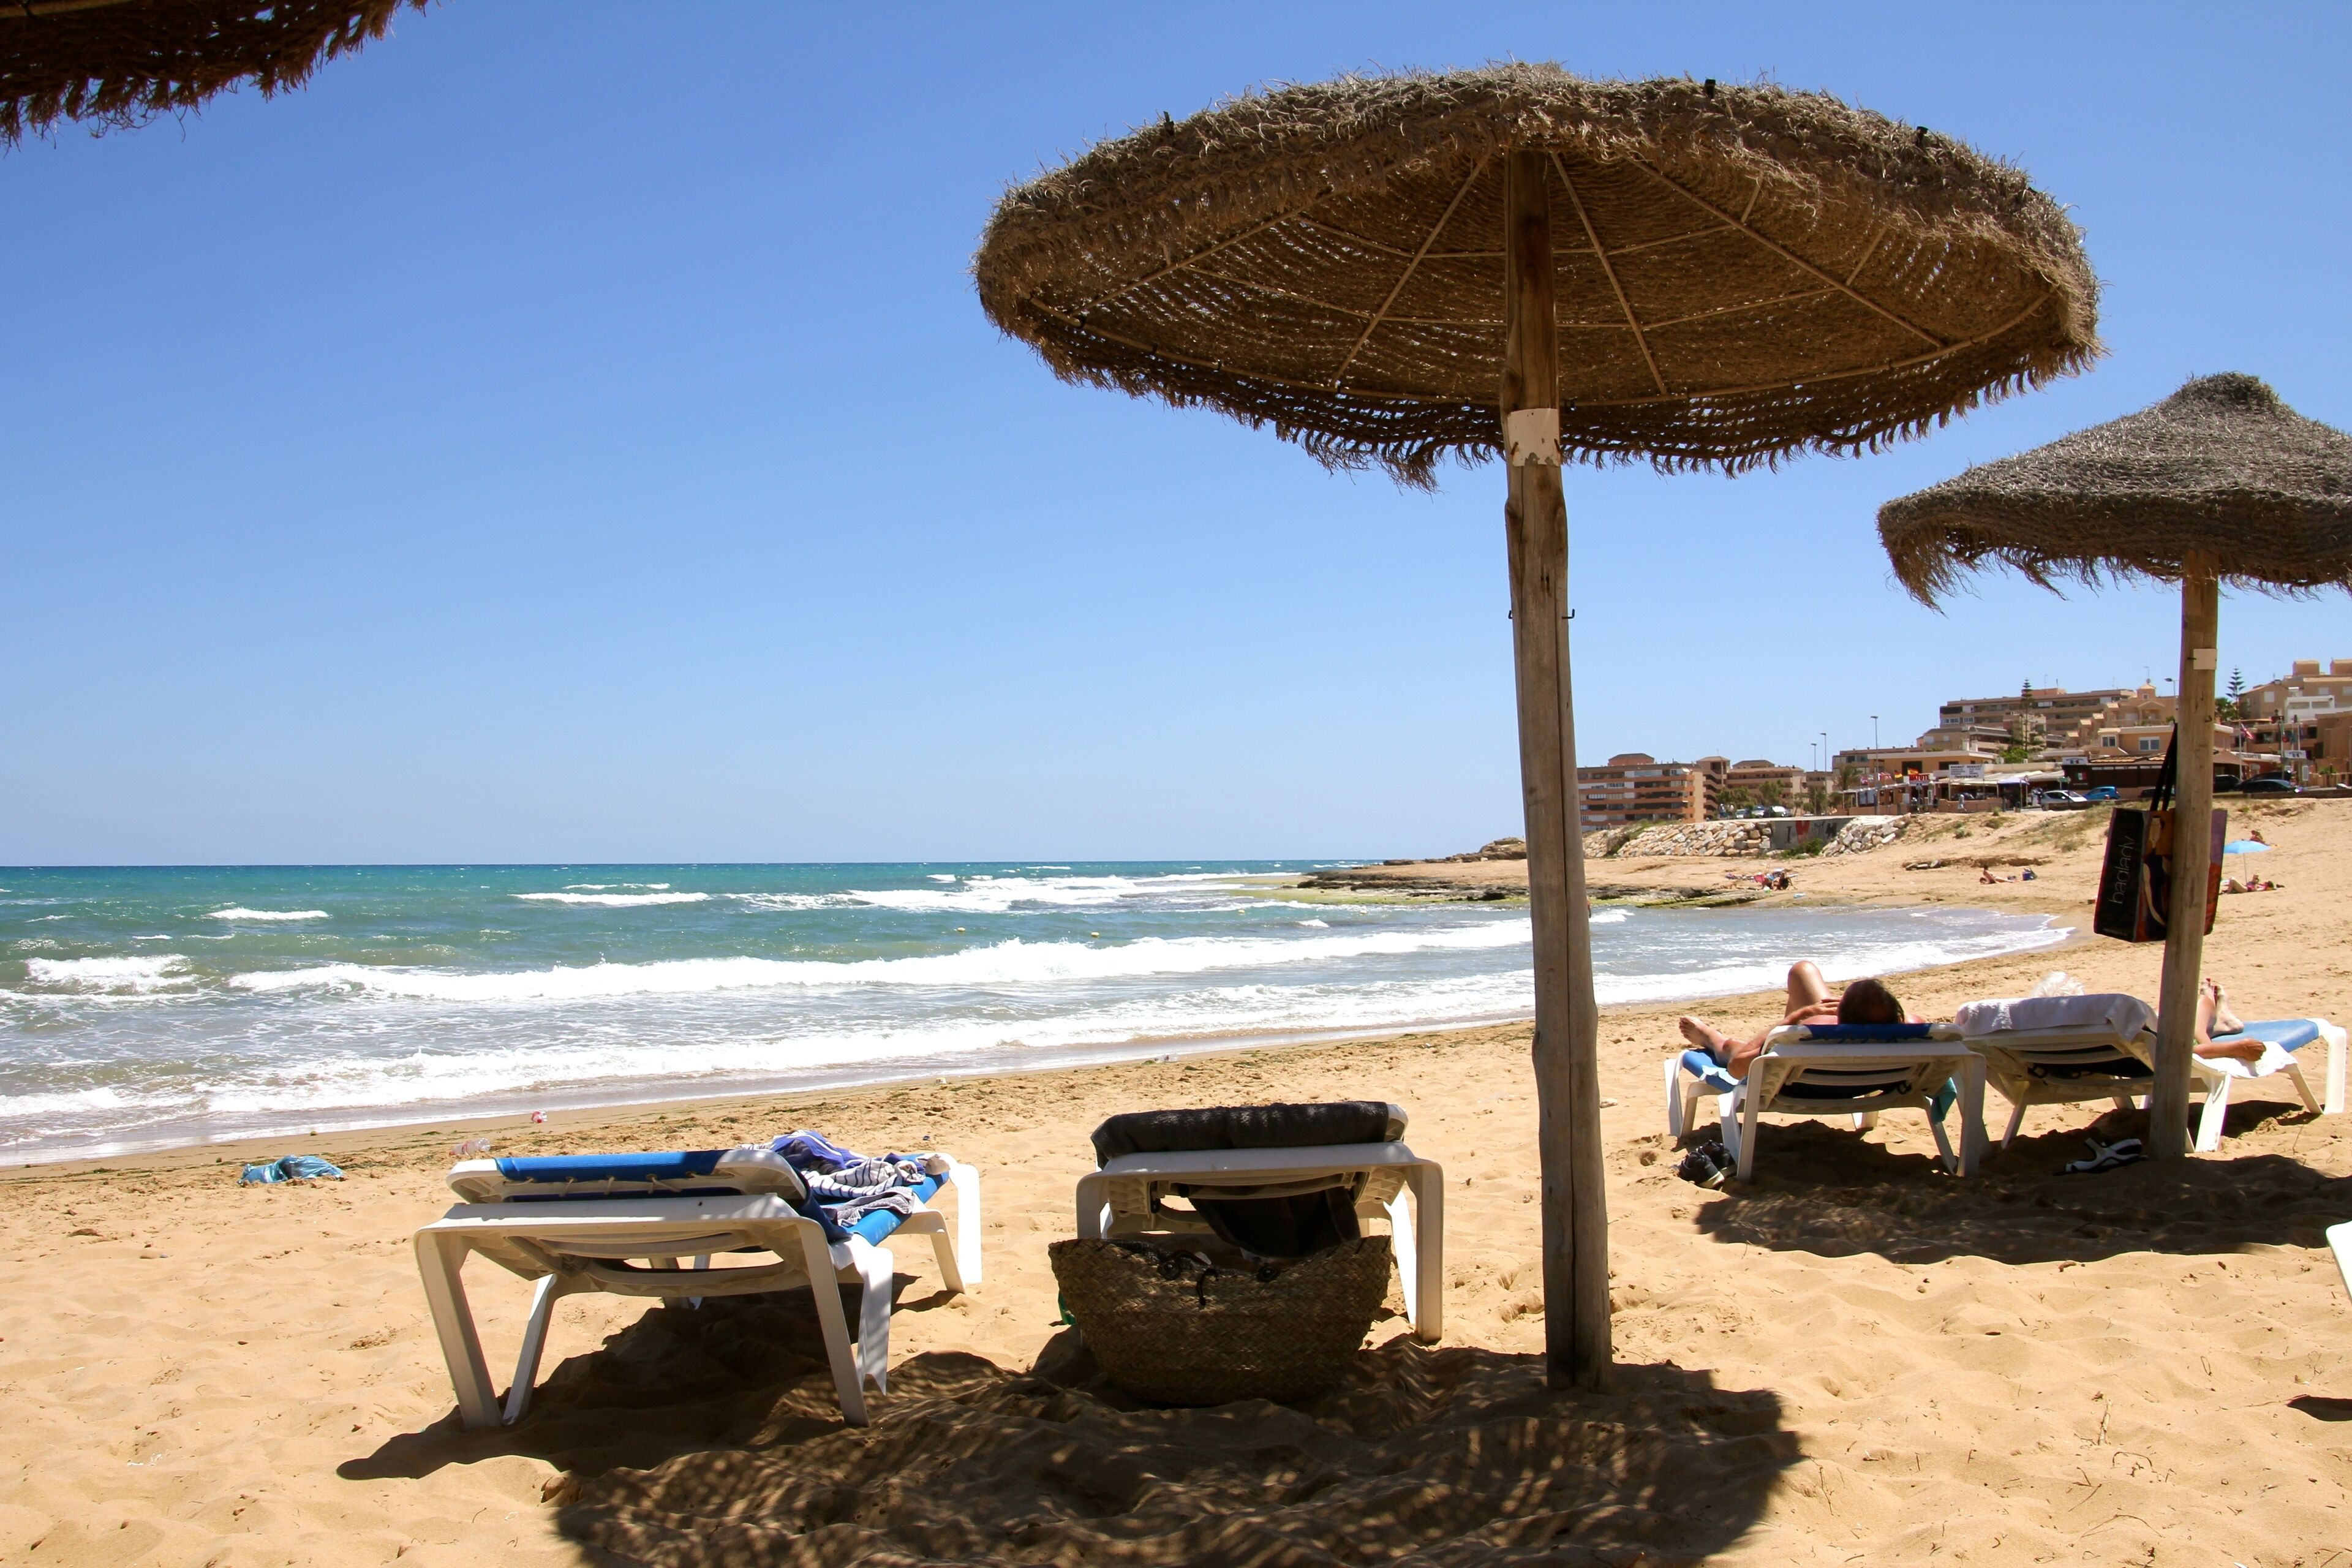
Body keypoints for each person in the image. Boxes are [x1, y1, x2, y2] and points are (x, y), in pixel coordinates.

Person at [1678, 963, 1922, 1080]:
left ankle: (1714, 1040)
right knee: (1803, 971)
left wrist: (1795, 1018)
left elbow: (1738, 1068)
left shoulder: (1812, 1032)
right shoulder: (1915, 1030)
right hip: (1868, 1081)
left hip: (1805, 1083)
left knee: (1733, 1050)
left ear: (1841, 1017)